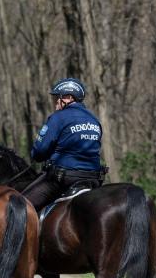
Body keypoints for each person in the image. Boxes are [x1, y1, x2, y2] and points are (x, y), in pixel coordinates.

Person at [22, 77, 106, 211]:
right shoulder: (94, 120)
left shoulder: (58, 118)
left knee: (19, 206)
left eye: (57, 98)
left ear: (67, 97)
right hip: (93, 180)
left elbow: (39, 152)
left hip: (64, 179)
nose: (55, 103)